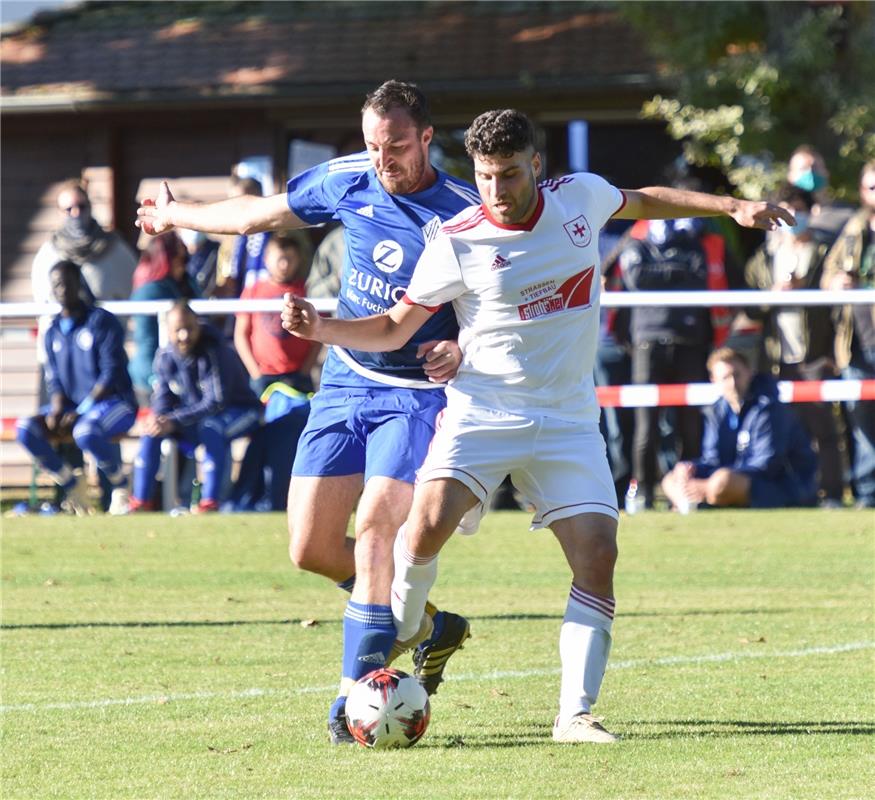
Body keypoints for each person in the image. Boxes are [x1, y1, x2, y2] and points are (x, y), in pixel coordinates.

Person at [281, 108, 794, 743]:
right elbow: (393, 328)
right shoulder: (457, 239)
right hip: (481, 414)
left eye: (510, 174)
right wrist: (322, 328)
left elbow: (643, 201)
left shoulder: (579, 199)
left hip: (568, 422)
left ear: (538, 168)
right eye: (486, 175)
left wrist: (730, 205)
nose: (497, 189)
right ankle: (410, 626)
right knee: (421, 532)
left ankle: (573, 715)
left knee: (598, 556)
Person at [135, 80, 480, 744]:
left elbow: (509, 307)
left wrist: (459, 347)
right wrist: (179, 215)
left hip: (416, 398)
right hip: (346, 380)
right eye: (376, 146)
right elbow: (254, 215)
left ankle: (356, 694)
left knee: (377, 531)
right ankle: (431, 626)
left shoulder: (464, 211)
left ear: (428, 139)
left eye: (399, 147)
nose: (385, 161)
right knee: (311, 549)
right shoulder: (350, 179)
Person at [744, 183, 843, 506]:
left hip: (816, 354)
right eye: (786, 208)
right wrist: (773, 294)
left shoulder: (828, 252)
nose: (793, 215)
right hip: (776, 357)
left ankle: (833, 493)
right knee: (784, 431)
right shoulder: (763, 259)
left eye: (798, 208)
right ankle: (796, 494)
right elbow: (749, 310)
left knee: (824, 429)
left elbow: (837, 309)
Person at [16, 260, 137, 516]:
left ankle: (120, 487)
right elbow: (55, 378)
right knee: (25, 428)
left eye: (68, 283)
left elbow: (110, 371)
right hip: (76, 409)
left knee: (85, 430)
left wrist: (84, 408)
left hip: (115, 404)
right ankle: (72, 484)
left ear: (79, 284)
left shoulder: (101, 321)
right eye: (57, 284)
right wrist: (57, 407)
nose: (63, 289)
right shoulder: (52, 331)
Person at [126, 301, 262, 513]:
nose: (184, 335)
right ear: (168, 331)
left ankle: (210, 502)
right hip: (197, 417)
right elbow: (162, 398)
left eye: (189, 328)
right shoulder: (165, 356)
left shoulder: (214, 351)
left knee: (212, 429)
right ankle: (140, 502)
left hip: (242, 411)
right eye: (177, 330)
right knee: (151, 429)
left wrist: (174, 420)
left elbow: (216, 401)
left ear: (197, 325)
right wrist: (159, 418)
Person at [618, 212, 714, 507]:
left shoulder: (693, 244)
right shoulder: (635, 245)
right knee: (646, 426)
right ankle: (643, 491)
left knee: (691, 424)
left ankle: (690, 492)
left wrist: (661, 272)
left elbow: (699, 280)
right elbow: (637, 279)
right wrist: (676, 271)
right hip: (648, 343)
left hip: (689, 342)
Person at [661, 347, 818, 511]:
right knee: (671, 479)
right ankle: (694, 501)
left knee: (722, 481)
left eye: (737, 375)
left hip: (781, 486)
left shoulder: (769, 408)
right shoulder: (715, 412)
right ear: (713, 380)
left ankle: (695, 501)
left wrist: (708, 483)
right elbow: (712, 459)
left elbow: (766, 464)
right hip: (730, 479)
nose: (733, 383)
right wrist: (690, 467)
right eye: (725, 377)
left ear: (750, 372)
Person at [821, 159, 875, 509]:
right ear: (861, 191)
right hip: (857, 345)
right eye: (872, 187)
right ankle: (868, 495)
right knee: (862, 425)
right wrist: (837, 283)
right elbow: (827, 279)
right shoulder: (853, 229)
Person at [234, 232, 320, 395]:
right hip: (263, 376)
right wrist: (255, 373)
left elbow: (318, 336)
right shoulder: (253, 290)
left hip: (298, 376)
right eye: (280, 259)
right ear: (266, 259)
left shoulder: (306, 291)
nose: (285, 264)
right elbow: (240, 334)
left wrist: (305, 370)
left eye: (290, 258)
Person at [128, 232, 200, 405]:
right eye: (178, 259)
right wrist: (155, 378)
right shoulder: (149, 292)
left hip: (185, 367)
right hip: (152, 376)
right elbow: (146, 341)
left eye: (185, 259)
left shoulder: (185, 283)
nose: (182, 266)